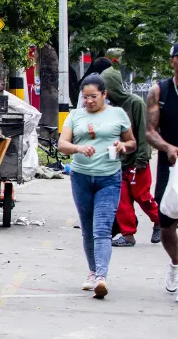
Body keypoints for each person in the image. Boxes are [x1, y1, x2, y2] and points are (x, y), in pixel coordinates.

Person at [58, 74, 136, 299]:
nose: (89, 101)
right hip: (81, 177)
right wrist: (78, 149)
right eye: (85, 97)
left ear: (104, 95)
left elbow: (132, 143)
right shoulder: (75, 115)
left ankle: (101, 277)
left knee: (102, 228)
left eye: (93, 96)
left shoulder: (117, 114)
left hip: (109, 178)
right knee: (87, 228)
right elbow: (62, 144)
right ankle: (92, 272)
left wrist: (122, 145)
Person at [146, 41, 178, 304]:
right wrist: (168, 147)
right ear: (172, 61)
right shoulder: (159, 91)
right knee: (166, 225)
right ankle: (175, 261)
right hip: (171, 164)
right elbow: (149, 130)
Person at [100, 68, 160, 247]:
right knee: (122, 200)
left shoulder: (134, 103)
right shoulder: (110, 108)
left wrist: (143, 157)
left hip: (137, 161)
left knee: (142, 196)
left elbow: (144, 131)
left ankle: (161, 221)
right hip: (119, 162)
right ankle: (128, 235)